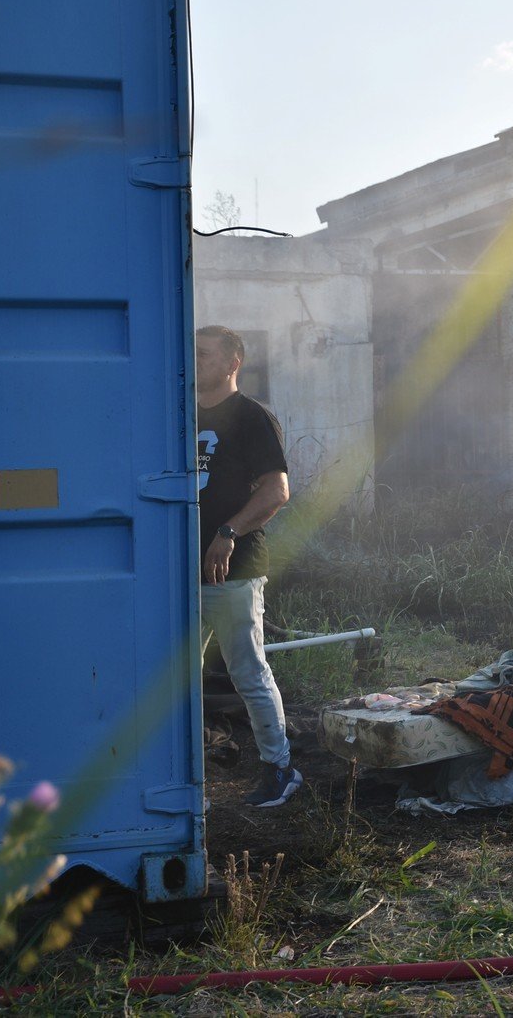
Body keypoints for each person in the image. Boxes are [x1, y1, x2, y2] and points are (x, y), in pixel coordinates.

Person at [194, 325, 302, 807]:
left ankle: (281, 770)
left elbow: (277, 491)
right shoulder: (179, 411)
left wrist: (227, 533)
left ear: (232, 363)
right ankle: (185, 778)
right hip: (177, 571)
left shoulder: (251, 417)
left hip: (233, 572)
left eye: (204, 354)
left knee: (248, 672)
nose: (194, 360)